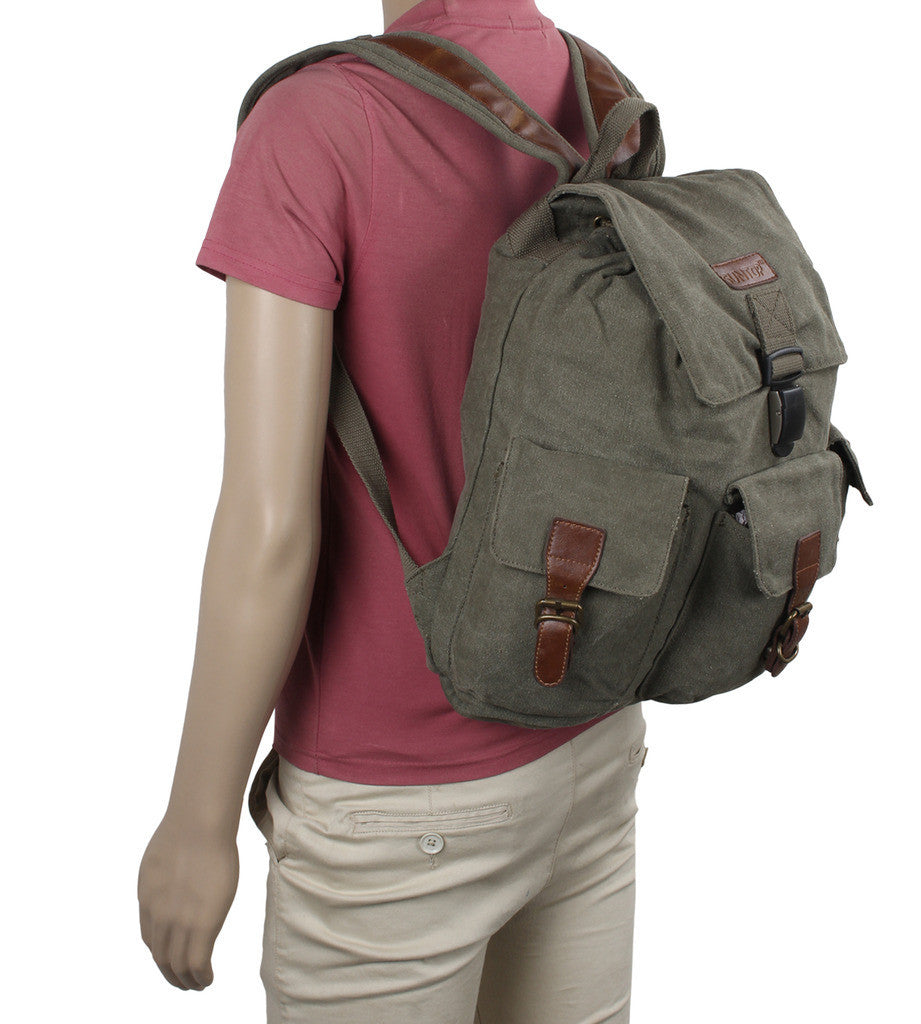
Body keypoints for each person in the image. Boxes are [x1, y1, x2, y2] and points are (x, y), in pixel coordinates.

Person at [137, 1, 649, 1020]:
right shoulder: (600, 94)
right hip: (590, 741)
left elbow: (270, 526)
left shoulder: (316, 121)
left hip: (395, 803)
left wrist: (197, 818)